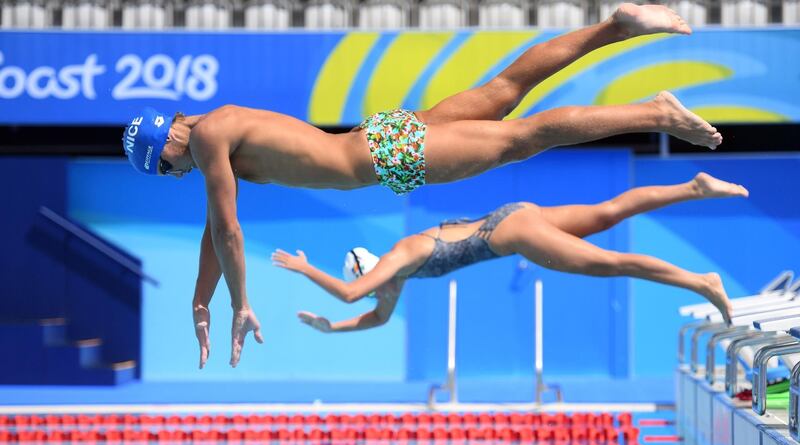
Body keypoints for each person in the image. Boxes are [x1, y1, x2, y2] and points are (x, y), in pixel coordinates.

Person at [122, 4, 720, 368]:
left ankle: (656, 113)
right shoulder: (218, 130)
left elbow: (228, 228)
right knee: (504, 90)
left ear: (169, 144)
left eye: (167, 169)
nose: (179, 175)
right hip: (376, 137)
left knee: (522, 137)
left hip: (385, 156)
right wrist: (201, 301)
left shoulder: (207, 139)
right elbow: (212, 233)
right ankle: (616, 26)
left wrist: (239, 301)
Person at [272, 173, 746, 332]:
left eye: (376, 281)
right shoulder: (397, 275)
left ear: (370, 268)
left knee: (611, 263)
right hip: (514, 215)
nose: (382, 291)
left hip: (510, 236)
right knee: (606, 213)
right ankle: (694, 187)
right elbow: (374, 316)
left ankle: (702, 281)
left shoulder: (399, 257)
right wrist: (329, 327)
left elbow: (355, 295)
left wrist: (305, 268)